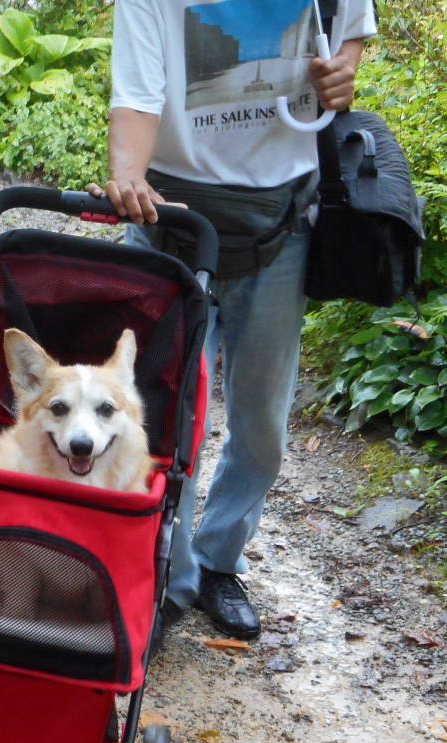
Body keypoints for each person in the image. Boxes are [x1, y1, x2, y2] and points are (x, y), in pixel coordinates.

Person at [89, 0, 376, 639]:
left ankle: (219, 560)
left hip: (282, 228)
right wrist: (127, 173)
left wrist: (342, 73)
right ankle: (166, 573)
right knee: (170, 417)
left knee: (262, 427)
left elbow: (351, 34)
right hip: (171, 223)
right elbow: (136, 94)